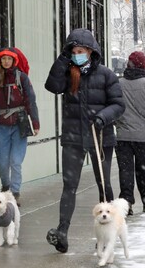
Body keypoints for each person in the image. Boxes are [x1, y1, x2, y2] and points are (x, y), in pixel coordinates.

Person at [44, 28, 125, 253]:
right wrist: (62, 59)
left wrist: (102, 117)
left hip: (100, 137)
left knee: (103, 184)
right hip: (73, 138)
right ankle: (62, 232)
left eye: (81, 50)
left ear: (91, 52)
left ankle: (110, 232)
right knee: (69, 185)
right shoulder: (68, 74)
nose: (77, 54)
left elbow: (119, 105)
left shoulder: (106, 75)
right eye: (74, 51)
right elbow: (51, 86)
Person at [0, 48, 40, 206]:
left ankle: (14, 193)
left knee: (16, 161)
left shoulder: (22, 78)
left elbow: (30, 100)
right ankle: (6, 186)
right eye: (3, 59)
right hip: (1, 125)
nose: (6, 62)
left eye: (9, 59)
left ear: (14, 61)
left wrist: (35, 122)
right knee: (2, 162)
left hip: (19, 124)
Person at [115, 51, 145, 215]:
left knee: (125, 171)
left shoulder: (118, 84)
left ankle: (127, 203)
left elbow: (114, 108)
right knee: (143, 171)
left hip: (123, 137)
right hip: (143, 138)